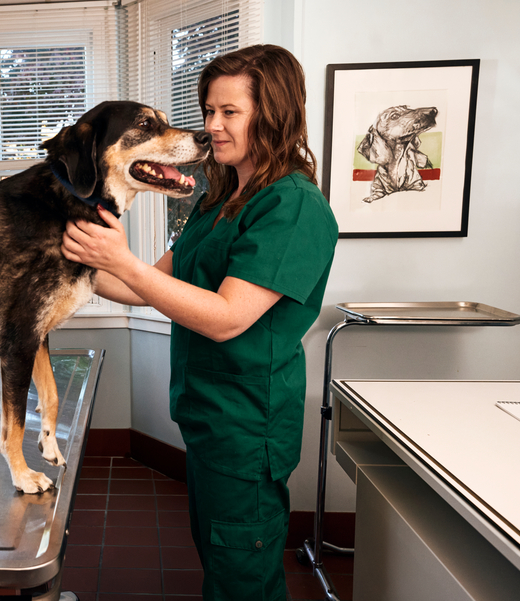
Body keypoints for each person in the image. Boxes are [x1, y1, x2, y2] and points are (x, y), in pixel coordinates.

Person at [62, 44, 338, 600]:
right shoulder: (218, 198)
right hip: (208, 418)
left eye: (229, 112)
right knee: (220, 563)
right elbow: (144, 286)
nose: (211, 126)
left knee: (243, 581)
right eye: (208, 111)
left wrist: (120, 261)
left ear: (274, 113)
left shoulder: (294, 207)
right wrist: (70, 263)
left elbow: (228, 319)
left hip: (246, 427)